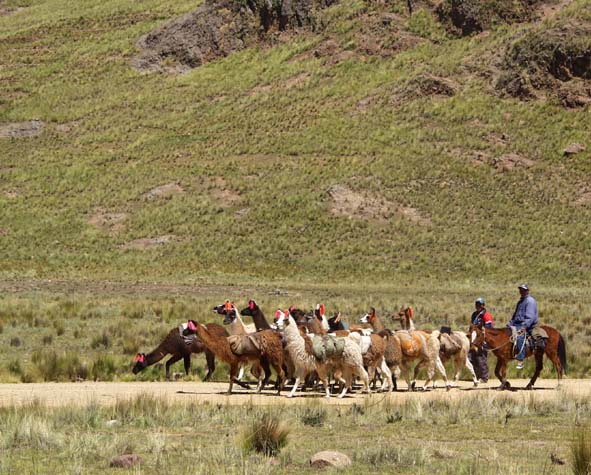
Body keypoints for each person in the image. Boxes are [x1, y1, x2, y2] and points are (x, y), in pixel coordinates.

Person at [507, 283, 541, 370]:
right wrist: (509, 324)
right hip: (516, 324)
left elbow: (530, 317)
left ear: (527, 291)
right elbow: (515, 316)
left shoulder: (530, 301)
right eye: (520, 290)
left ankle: (520, 360)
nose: (521, 291)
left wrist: (524, 327)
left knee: (519, 337)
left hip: (527, 326)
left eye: (523, 290)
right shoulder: (520, 302)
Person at [468, 297, 494, 383]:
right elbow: (471, 325)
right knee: (472, 357)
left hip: (483, 338)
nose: (477, 306)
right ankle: (477, 375)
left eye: (479, 304)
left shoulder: (486, 315)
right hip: (474, 338)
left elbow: (489, 328)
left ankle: (484, 377)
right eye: (476, 304)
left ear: (483, 305)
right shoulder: (474, 314)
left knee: (481, 357)